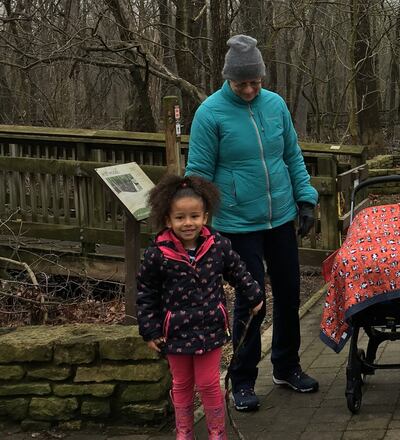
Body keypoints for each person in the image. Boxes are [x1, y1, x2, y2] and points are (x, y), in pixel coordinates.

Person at [185, 34, 320, 412]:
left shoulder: (275, 105)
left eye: (255, 82)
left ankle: (287, 367)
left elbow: (292, 156)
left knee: (289, 294)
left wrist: (306, 199)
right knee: (251, 299)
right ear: (228, 78)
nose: (248, 90)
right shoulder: (210, 114)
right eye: (241, 83)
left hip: (281, 217)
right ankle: (242, 379)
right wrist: (198, 225)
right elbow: (198, 174)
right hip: (237, 223)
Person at [136, 175, 264, 440]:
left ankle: (217, 431)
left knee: (208, 383)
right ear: (168, 220)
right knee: (181, 383)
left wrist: (253, 295)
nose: (188, 223)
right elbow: (146, 292)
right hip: (175, 333)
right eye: (180, 217)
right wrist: (150, 330)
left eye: (194, 216)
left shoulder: (217, 246)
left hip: (209, 328)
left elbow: (238, 271)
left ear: (205, 216)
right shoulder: (157, 254)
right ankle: (184, 431)